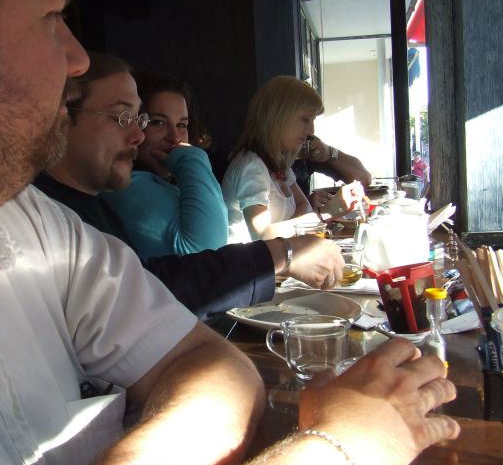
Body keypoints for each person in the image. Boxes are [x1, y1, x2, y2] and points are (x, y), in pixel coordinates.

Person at [0, 0, 460, 465]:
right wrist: (338, 450)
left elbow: (212, 365)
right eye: (52, 15)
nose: (76, 58)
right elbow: (199, 260)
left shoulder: (29, 222)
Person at [35, 53, 346, 320]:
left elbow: (143, 285)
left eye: (139, 120)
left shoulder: (93, 204)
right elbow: (152, 287)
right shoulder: (61, 214)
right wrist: (283, 255)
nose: (138, 136)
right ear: (61, 117)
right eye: (122, 117)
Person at [99, 69, 228, 259]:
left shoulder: (166, 182)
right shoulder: (125, 187)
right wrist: (193, 159)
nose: (174, 137)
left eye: (182, 125)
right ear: (134, 124)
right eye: (158, 122)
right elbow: (207, 252)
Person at [222, 76, 364, 243]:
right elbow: (262, 236)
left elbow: (304, 206)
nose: (311, 130)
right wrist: (326, 213)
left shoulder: (278, 164)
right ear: (278, 116)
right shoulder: (250, 167)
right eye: (305, 119)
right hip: (251, 260)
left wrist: (303, 221)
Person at [293, 135, 373, 210]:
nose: (311, 129)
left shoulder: (305, 143)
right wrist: (307, 203)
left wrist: (330, 153)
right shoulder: (284, 159)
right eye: (305, 120)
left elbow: (363, 178)